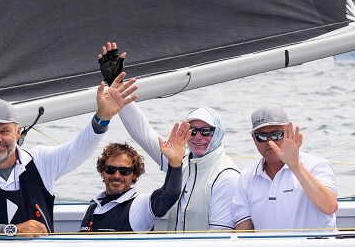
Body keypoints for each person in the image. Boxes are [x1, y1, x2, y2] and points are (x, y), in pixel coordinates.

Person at [0, 72, 139, 237]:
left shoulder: (40, 161)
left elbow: (78, 150)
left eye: (4, 131)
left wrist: (102, 118)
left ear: (18, 132)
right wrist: (12, 230)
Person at [98, 42, 241, 232]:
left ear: (219, 134)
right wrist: (116, 84)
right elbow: (142, 132)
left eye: (206, 131)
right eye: (192, 130)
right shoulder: (179, 161)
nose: (198, 137)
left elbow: (220, 236)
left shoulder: (227, 176)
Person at [232, 105, 338, 232]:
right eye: (262, 136)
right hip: (268, 246)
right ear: (253, 138)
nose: (270, 142)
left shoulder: (317, 164)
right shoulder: (246, 177)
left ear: (289, 132)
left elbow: (330, 206)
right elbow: (244, 231)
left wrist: (295, 166)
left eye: (276, 134)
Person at [80, 127, 188, 232]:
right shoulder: (92, 208)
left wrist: (175, 163)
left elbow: (169, 195)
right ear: (102, 171)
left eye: (124, 171)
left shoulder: (139, 207)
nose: (117, 175)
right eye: (110, 169)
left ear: (135, 174)